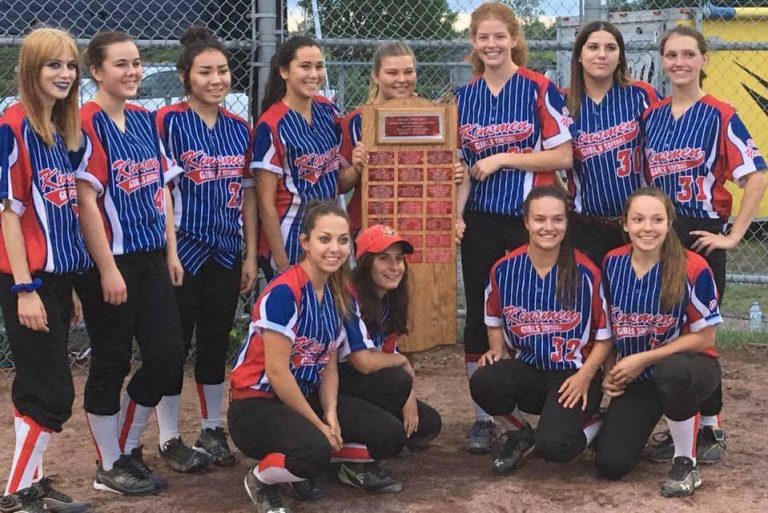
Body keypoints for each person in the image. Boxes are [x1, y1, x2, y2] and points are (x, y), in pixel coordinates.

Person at [74, 31, 204, 496]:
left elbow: (162, 191)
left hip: (151, 258)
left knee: (168, 356)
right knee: (110, 360)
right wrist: (107, 268)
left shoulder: (145, 119)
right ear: (96, 72)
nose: (132, 71)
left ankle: (127, 450)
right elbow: (85, 201)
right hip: (109, 261)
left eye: (137, 62)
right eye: (121, 64)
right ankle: (108, 465)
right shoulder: (85, 121)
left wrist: (171, 251)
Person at [229, 200, 406, 513]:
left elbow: (327, 365)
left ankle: (308, 463)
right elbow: (278, 372)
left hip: (302, 396)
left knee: (390, 436)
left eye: (342, 240)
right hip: (256, 404)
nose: (334, 249)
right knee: (314, 449)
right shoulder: (285, 292)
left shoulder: (339, 294)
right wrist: (317, 425)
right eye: (324, 239)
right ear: (305, 243)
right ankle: (262, 479)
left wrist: (331, 413)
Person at [641, 25, 767, 464]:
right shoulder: (652, 117)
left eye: (688, 54)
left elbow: (756, 175)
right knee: (668, 329)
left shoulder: (720, 114)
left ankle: (712, 428)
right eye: (671, 55)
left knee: (700, 335)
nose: (679, 62)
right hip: (659, 233)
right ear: (662, 61)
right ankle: (686, 424)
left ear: (704, 59)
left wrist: (732, 234)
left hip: (701, 232)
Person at [455, 1, 574, 454]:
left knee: (534, 311)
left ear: (513, 39)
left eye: (499, 36)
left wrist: (504, 156)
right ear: (474, 43)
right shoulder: (463, 98)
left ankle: (546, 400)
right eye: (482, 37)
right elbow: (464, 168)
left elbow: (563, 155)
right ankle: (485, 417)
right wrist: (457, 215)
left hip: (531, 220)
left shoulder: (539, 88)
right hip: (483, 219)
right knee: (480, 315)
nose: (491, 45)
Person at [154, 26, 258, 469]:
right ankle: (169, 436)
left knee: (216, 340)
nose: (216, 79)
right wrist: (170, 252)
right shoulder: (168, 122)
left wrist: (251, 253)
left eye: (222, 70)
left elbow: (249, 192)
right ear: (185, 76)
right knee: (173, 345)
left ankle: (212, 427)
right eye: (205, 72)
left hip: (225, 248)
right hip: (184, 251)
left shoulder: (240, 128)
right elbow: (159, 192)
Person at [0, 27, 92, 513]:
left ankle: (30, 482)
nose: (64, 73)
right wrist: (24, 287)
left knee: (34, 387)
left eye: (71, 65)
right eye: (53, 64)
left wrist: (67, 287)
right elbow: (8, 213)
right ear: (31, 70)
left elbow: (62, 215)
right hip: (26, 277)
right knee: (54, 393)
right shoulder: (13, 126)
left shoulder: (59, 130)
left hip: (55, 277)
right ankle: (17, 492)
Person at [469, 185, 612, 474]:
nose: (548, 227)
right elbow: (493, 315)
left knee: (556, 448)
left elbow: (606, 335)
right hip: (531, 370)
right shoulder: (505, 269)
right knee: (485, 380)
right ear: (526, 222)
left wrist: (586, 375)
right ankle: (521, 433)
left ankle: (597, 422)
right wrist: (496, 349)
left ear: (567, 223)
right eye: (540, 219)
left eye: (557, 219)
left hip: (573, 375)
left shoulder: (586, 272)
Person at [596, 187, 723, 498]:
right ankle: (603, 425)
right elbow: (609, 327)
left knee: (672, 370)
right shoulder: (612, 263)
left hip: (689, 368)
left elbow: (705, 337)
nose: (647, 228)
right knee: (610, 464)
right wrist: (610, 371)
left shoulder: (692, 265)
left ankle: (686, 462)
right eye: (638, 219)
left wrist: (644, 358)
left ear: (669, 224)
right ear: (624, 224)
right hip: (639, 379)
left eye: (656, 219)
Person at [252, 36, 358, 280]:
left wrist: (359, 166)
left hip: (327, 238)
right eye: (305, 66)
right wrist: (282, 263)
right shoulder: (271, 125)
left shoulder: (327, 111)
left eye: (319, 66)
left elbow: (337, 183)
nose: (314, 74)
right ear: (284, 71)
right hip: (290, 237)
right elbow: (266, 204)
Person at [339, 41, 466, 238]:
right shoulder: (357, 121)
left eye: (408, 72)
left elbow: (453, 171)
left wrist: (455, 173)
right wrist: (356, 168)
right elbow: (340, 185)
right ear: (376, 76)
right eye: (392, 73)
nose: (401, 79)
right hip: (371, 224)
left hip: (423, 221)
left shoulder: (434, 117)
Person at [339, 224, 442, 453]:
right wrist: (404, 363)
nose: (394, 267)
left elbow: (388, 351)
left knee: (428, 423)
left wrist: (408, 399)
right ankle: (349, 450)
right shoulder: (349, 296)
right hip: (335, 386)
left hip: (366, 384)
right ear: (366, 263)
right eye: (384, 258)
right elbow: (363, 362)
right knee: (396, 384)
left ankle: (376, 433)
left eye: (399, 258)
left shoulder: (390, 299)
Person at [566, 21, 660, 266]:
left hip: (637, 224)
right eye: (593, 47)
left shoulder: (641, 94)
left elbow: (674, 129)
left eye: (610, 48)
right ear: (579, 55)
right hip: (586, 225)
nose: (601, 54)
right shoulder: (563, 101)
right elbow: (545, 152)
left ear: (620, 56)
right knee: (590, 298)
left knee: (634, 298)